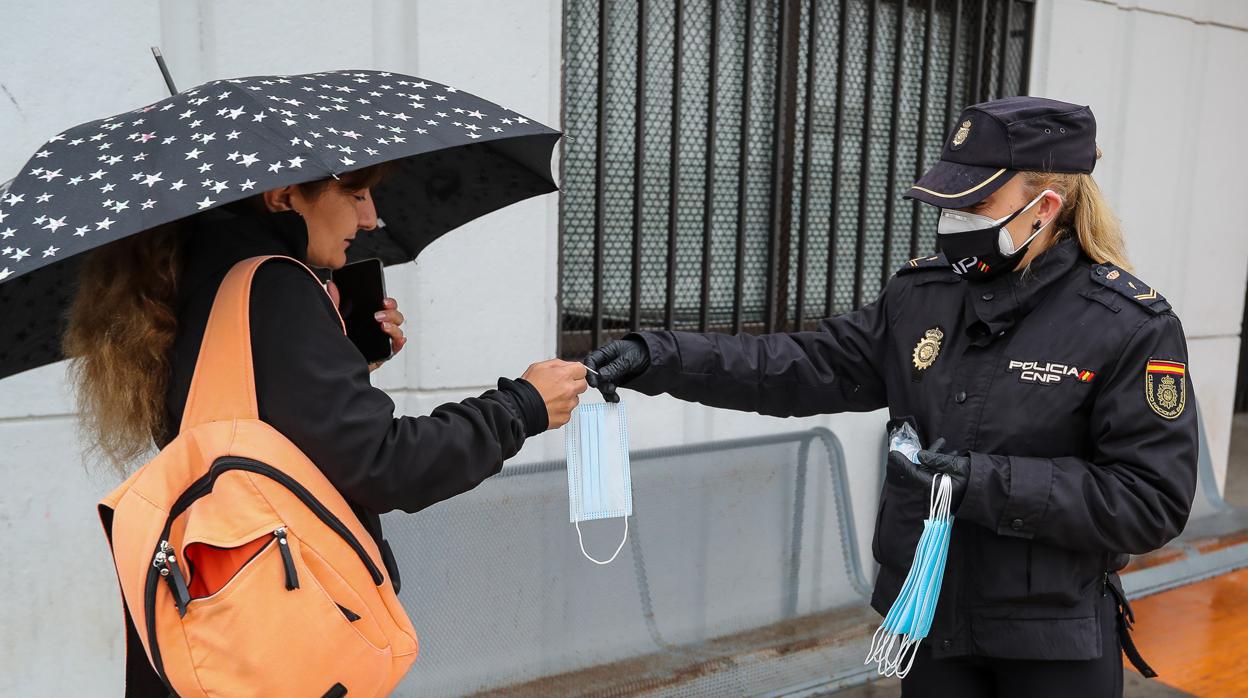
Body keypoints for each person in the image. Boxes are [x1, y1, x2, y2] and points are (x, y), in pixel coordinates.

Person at [584, 97, 1197, 697]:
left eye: (977, 204)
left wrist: (982, 482)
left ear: (1045, 207)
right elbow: (804, 366)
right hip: (926, 619)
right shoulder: (924, 295)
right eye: (950, 204)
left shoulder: (1127, 325)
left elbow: (1149, 500)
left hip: (1049, 641)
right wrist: (659, 356)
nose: (955, 221)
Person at [63, 165, 588, 692]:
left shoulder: (188, 283)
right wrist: (522, 406)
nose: (370, 218)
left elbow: (262, 433)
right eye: (355, 194)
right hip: (286, 643)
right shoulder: (273, 286)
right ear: (283, 195)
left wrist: (342, 362)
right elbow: (386, 466)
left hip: (217, 639)